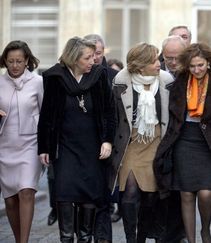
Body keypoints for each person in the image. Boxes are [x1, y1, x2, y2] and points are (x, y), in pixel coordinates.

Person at [154, 42, 211, 243]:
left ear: (208, 62)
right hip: (185, 141)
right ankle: (191, 239)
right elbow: (175, 113)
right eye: (192, 66)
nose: (197, 70)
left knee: (206, 193)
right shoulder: (182, 80)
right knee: (186, 194)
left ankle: (206, 231)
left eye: (200, 65)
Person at [38, 36, 115, 243]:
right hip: (64, 146)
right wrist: (44, 147)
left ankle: (84, 238)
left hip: (92, 147)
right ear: (74, 59)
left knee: (89, 193)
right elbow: (47, 115)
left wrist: (107, 140)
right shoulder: (55, 77)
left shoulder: (99, 75)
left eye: (93, 57)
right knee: (64, 191)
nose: (93, 61)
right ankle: (66, 238)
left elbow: (109, 112)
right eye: (87, 58)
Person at [110, 42, 173, 243]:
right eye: (154, 60)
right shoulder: (121, 81)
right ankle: (131, 238)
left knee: (150, 197)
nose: (158, 63)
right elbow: (114, 116)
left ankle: (142, 237)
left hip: (156, 141)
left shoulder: (165, 80)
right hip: (130, 143)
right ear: (140, 65)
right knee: (129, 193)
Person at [0, 40, 43, 243]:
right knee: (9, 201)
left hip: (30, 144)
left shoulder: (38, 82)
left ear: (27, 61)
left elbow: (46, 114)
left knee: (26, 191)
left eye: (19, 61)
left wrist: (47, 146)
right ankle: (18, 239)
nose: (15, 65)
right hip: (4, 146)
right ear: (5, 62)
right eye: (10, 61)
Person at [83, 33, 119, 243]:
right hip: (82, 145)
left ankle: (103, 239)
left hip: (107, 145)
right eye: (90, 54)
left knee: (104, 198)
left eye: (98, 53)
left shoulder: (113, 77)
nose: (95, 58)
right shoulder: (76, 75)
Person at [160, 34, 188, 242]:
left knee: (183, 191)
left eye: (177, 57)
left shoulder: (193, 72)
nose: (172, 62)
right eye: (168, 57)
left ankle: (178, 235)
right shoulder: (156, 73)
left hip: (188, 141)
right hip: (162, 140)